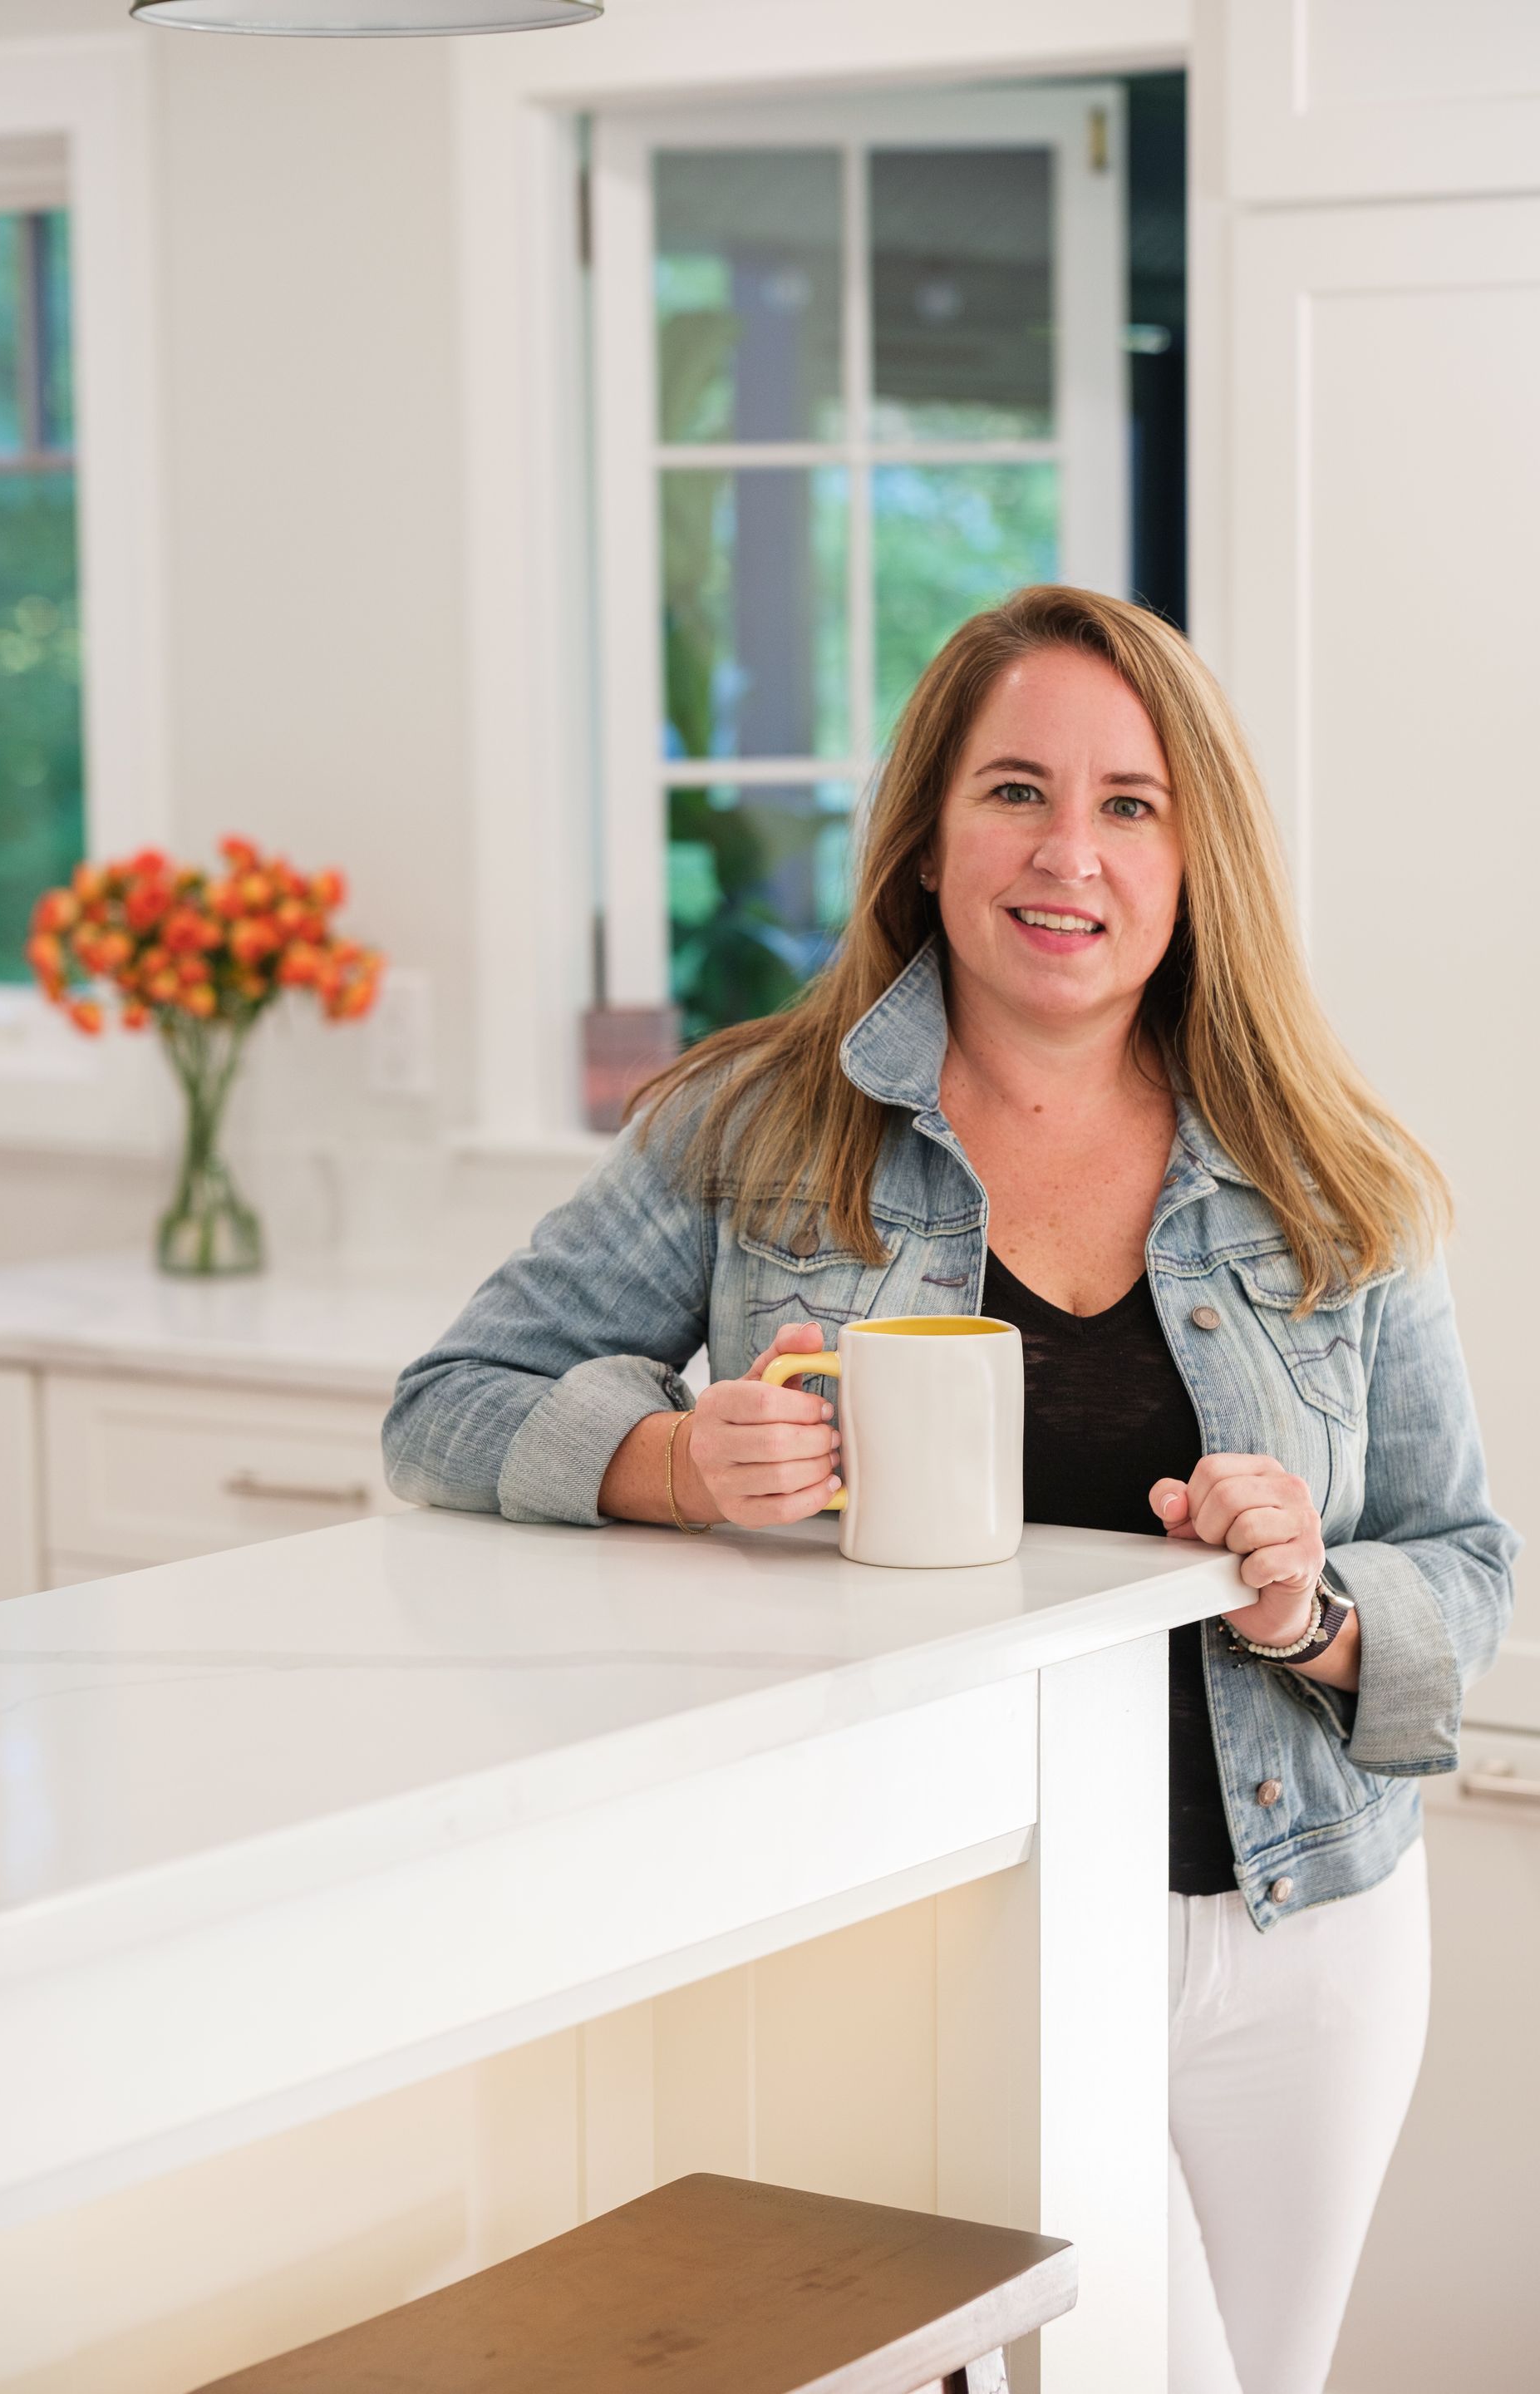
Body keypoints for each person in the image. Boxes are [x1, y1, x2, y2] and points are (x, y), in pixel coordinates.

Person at [384, 584, 1517, 2394]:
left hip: (1314, 1931)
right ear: (924, 835)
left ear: (1195, 853)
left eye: (1131, 804)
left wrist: (1319, 1607)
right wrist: (669, 1462)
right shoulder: (751, 1126)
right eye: (1015, 791)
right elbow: (447, 1402)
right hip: (947, 1928)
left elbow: (1468, 1561)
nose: (1069, 851)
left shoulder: (1342, 1177)